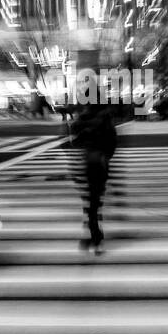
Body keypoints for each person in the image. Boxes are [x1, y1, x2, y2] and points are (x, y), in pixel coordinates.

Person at [71, 102, 117, 254]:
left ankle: (95, 237)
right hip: (100, 164)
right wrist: (106, 157)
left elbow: (75, 139)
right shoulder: (106, 119)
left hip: (88, 164)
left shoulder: (83, 118)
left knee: (91, 203)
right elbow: (112, 143)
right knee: (95, 202)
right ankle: (96, 237)